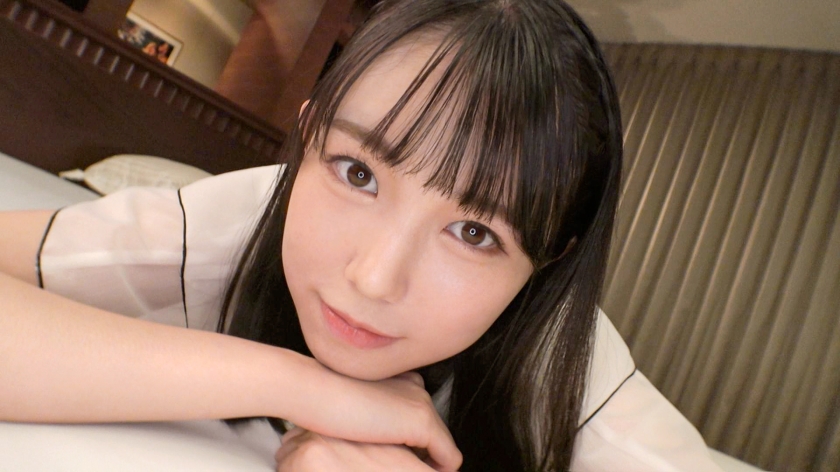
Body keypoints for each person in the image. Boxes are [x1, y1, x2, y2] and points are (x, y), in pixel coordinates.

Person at [0, 0, 723, 470]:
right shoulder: (246, 216)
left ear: (548, 262)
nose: (374, 278)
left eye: (474, 232)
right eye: (358, 173)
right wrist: (300, 386)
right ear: (308, 135)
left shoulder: (572, 367)